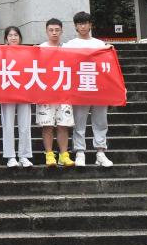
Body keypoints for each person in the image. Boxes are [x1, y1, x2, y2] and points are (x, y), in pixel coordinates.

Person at [65, 11, 114, 167]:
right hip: (80, 88)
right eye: (80, 24)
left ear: (90, 25)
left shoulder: (100, 44)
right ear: (75, 26)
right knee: (79, 121)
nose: (83, 26)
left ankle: (100, 152)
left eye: (85, 23)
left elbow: (109, 67)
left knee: (101, 121)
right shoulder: (70, 45)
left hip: (99, 88)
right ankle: (80, 152)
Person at [37, 18, 74, 168]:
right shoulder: (40, 48)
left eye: (57, 30)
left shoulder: (68, 48)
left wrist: (106, 48)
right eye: (51, 30)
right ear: (46, 31)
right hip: (45, 92)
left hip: (64, 92)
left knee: (63, 125)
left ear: (61, 31)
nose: (54, 33)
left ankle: (64, 155)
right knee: (47, 125)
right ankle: (49, 155)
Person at [0, 25, 33, 168]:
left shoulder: (28, 52)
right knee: (8, 125)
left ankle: (24, 155)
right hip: (7, 92)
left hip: (24, 91)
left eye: (16, 35)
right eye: (10, 35)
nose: (13, 38)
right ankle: (10, 156)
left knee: (25, 125)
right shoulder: (0, 51)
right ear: (5, 39)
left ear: (20, 37)